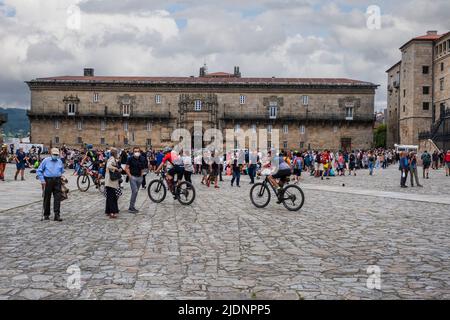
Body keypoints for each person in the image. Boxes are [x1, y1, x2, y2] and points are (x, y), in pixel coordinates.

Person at [37, 148, 65, 221]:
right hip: (48, 180)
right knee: (47, 198)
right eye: (54, 154)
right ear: (51, 154)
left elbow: (62, 171)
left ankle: (57, 215)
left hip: (57, 180)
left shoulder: (59, 161)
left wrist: (61, 176)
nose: (55, 156)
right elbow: (39, 171)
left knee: (57, 198)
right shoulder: (46, 160)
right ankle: (46, 214)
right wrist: (42, 180)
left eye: (57, 155)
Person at [124, 147, 146, 213]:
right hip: (133, 177)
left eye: (138, 151)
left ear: (139, 152)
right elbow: (126, 168)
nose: (137, 152)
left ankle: (132, 206)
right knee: (135, 191)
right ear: (133, 152)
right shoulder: (130, 158)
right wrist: (130, 176)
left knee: (135, 192)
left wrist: (142, 175)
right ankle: (131, 207)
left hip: (139, 177)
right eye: (135, 151)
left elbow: (143, 167)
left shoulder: (142, 158)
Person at [105, 148, 121, 219]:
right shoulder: (112, 159)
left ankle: (108, 211)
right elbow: (108, 166)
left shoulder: (112, 158)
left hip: (109, 181)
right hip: (110, 181)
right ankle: (112, 212)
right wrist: (116, 168)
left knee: (109, 197)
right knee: (112, 197)